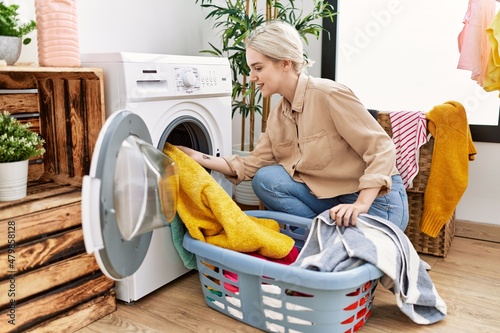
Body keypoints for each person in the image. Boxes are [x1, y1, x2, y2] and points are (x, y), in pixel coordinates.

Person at [177, 20, 409, 231]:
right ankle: (325, 238)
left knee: (361, 253)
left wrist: (360, 204)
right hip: (330, 198)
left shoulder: (328, 94)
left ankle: (342, 242)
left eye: (258, 68)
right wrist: (199, 157)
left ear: (285, 63)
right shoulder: (279, 114)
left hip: (376, 201)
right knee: (266, 179)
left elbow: (382, 148)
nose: (251, 77)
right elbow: (252, 166)